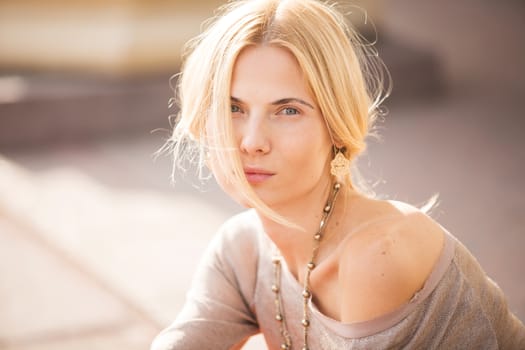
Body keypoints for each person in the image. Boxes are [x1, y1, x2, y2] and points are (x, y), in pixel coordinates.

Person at [151, 0, 525, 349]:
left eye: (288, 111)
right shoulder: (241, 248)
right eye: (233, 108)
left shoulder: (377, 252)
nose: (252, 142)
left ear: (335, 125)